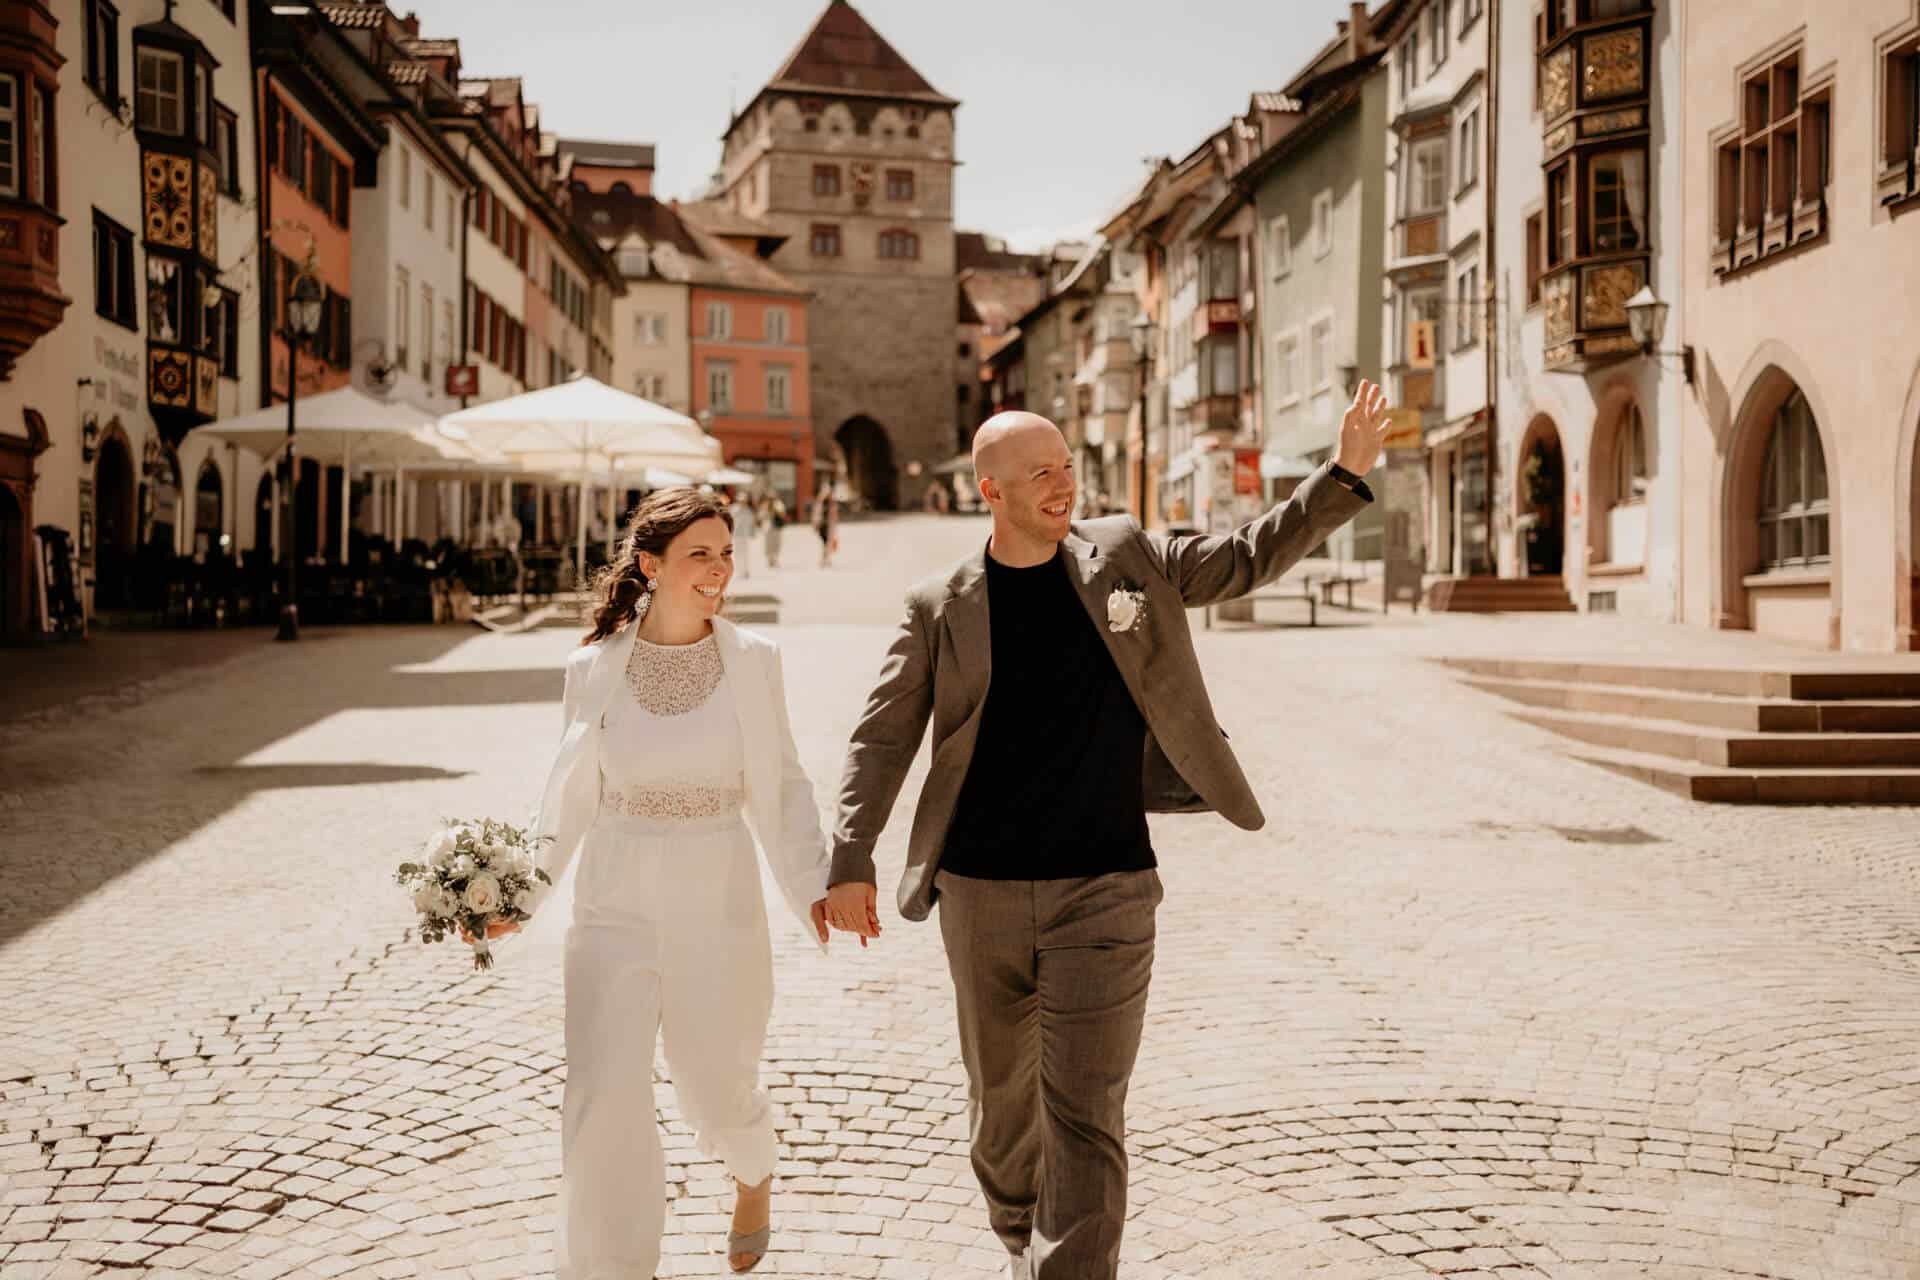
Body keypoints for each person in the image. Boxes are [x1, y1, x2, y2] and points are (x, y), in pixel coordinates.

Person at [820, 381, 1393, 1280]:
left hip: (1107, 887)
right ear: (990, 491)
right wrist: (851, 855)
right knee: (1001, 1115)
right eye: (1041, 474)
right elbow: (881, 736)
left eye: (1067, 467)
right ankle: (1021, 1237)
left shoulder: (1128, 555)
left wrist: (1342, 475)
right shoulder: (940, 604)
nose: (1064, 485)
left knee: (1087, 1115)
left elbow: (1243, 557)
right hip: (978, 892)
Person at [498, 487, 837, 1278]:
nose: (719, 570)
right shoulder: (591, 668)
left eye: (726, 553)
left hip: (717, 898)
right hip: (612, 904)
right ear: (650, 565)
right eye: (699, 555)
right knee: (601, 1096)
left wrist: (816, 884)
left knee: (717, 1086)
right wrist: (519, 895)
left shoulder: (755, 662)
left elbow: (783, 787)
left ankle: (753, 1169)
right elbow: (568, 798)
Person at [732, 492, 757, 579]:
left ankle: (745, 570)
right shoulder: (734, 509)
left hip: (744, 535)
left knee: (745, 553)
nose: (743, 502)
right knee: (737, 553)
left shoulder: (748, 511)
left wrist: (752, 533)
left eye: (744, 500)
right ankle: (738, 571)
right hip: (735, 534)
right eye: (741, 500)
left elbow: (752, 522)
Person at [812, 489, 838, 568]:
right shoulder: (820, 504)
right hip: (822, 526)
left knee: (827, 543)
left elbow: (834, 517)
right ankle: (825, 559)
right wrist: (815, 525)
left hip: (828, 526)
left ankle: (825, 559)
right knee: (826, 543)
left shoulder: (831, 505)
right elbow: (816, 515)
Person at [763, 497, 786, 569]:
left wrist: (775, 511)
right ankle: (770, 560)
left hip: (776, 528)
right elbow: (760, 516)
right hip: (767, 528)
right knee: (768, 544)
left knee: (776, 543)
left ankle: (775, 559)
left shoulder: (778, 505)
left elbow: (783, 514)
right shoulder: (764, 506)